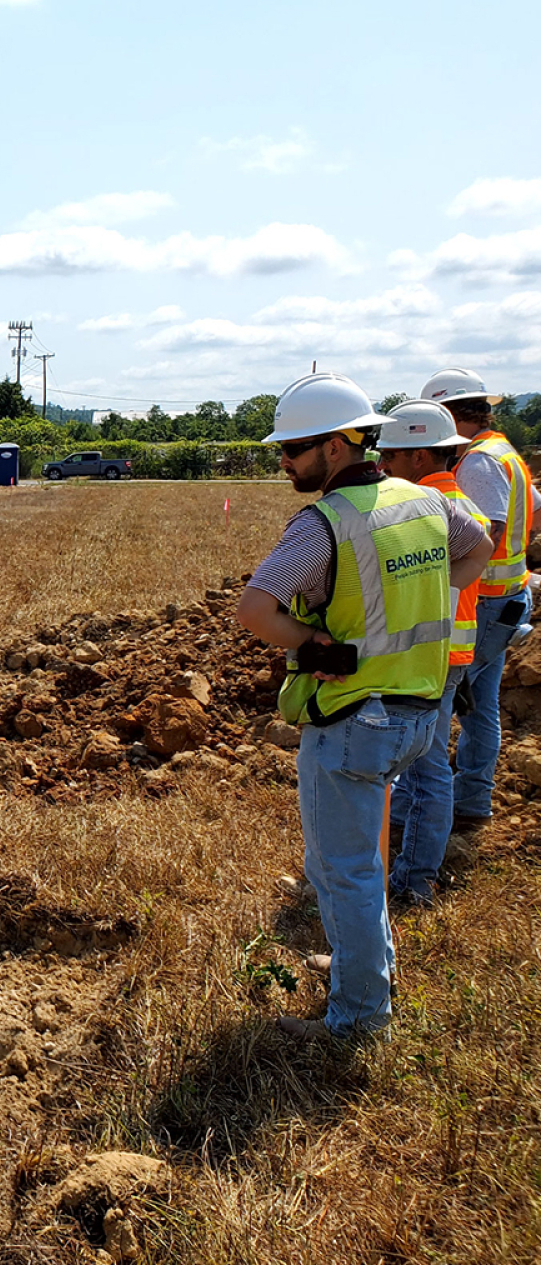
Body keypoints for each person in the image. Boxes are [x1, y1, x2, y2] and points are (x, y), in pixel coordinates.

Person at [235, 373, 490, 1041]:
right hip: (422, 713)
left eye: (294, 448)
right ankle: (363, 963)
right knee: (357, 864)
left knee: (340, 871)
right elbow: (482, 548)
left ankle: (357, 1019)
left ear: (341, 445)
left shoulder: (324, 524)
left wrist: (312, 646)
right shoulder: (424, 500)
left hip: (355, 720)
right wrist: (435, 598)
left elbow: (254, 609)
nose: (284, 461)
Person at [375, 400, 493, 904]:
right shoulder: (467, 507)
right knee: (420, 765)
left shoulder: (417, 512)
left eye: (391, 458)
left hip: (428, 657)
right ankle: (405, 841)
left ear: (420, 457)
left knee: (425, 771)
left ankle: (416, 881)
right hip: (452, 654)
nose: (382, 468)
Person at [420, 368, 537, 832]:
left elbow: (483, 536)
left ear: (450, 414)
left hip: (485, 602)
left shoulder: (479, 462)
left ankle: (439, 811)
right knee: (481, 707)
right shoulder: (507, 453)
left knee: (444, 705)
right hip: (506, 597)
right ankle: (471, 803)